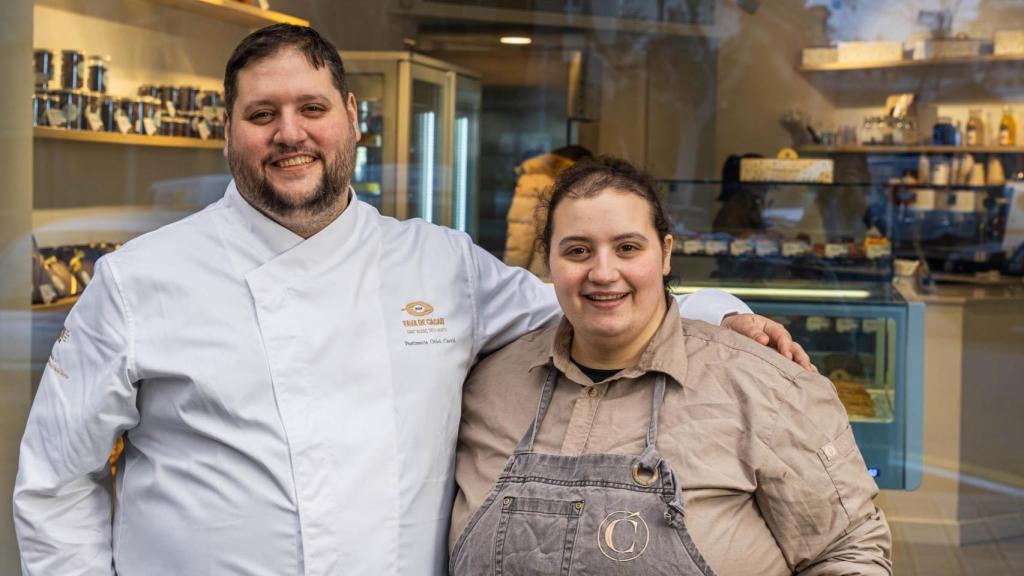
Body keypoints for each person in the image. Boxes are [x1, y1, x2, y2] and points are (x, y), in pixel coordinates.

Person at [13, 25, 809, 576]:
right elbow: (55, 479)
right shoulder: (141, 279)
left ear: (353, 121)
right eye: (262, 115)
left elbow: (580, 302)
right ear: (228, 134)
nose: (290, 132)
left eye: (312, 108)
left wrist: (714, 313)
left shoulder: (438, 265)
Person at [450, 156, 892, 575]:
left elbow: (848, 552)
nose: (603, 273)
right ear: (548, 260)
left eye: (627, 247)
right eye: (578, 251)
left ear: (664, 255)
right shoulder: (487, 389)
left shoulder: (767, 390)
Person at [504, 145, 591, 279]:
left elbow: (521, 232)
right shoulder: (584, 183)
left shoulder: (533, 180)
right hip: (572, 271)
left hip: (539, 273)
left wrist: (510, 275)